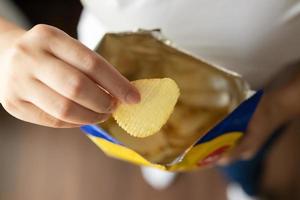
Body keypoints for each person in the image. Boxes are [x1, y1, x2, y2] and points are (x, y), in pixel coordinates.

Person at [1, 0, 300, 199]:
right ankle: (157, 160)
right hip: (108, 76)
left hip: (251, 106)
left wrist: (280, 107)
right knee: (137, 146)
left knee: (242, 163)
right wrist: (5, 46)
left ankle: (245, 186)